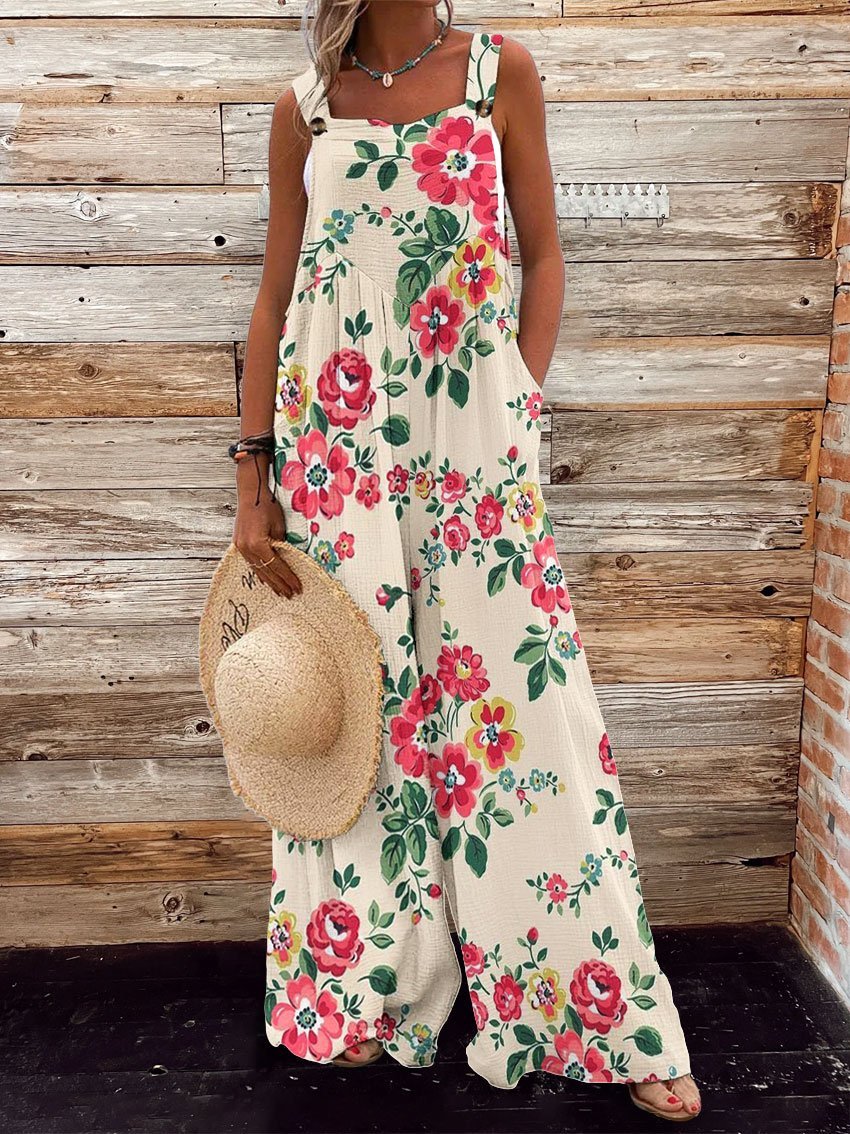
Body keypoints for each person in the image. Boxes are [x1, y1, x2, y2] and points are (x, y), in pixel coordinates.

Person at [233, 0, 702, 1120]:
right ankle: (361, 985)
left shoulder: (499, 73)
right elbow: (275, 293)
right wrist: (253, 480)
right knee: (361, 711)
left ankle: (596, 1013)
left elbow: (545, 255)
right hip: (337, 449)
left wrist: (516, 405)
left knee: (524, 711)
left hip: (474, 443)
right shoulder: (305, 107)